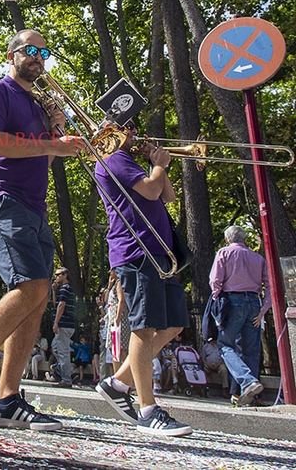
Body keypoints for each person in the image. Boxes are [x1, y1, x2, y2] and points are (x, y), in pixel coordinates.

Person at [0, 29, 85, 432]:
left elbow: (42, 159)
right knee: (29, 286)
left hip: (33, 206)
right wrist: (50, 143)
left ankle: (10, 396)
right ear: (12, 55)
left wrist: (56, 133)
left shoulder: (40, 105)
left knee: (38, 296)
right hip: (1, 199)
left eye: (43, 52)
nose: (38, 57)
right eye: (30, 50)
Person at [93, 120, 192, 436]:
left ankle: (119, 383)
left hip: (159, 251)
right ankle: (148, 410)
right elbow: (151, 190)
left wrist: (160, 164)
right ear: (114, 131)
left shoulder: (132, 161)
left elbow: (168, 196)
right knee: (144, 328)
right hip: (138, 252)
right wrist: (157, 166)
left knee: (174, 323)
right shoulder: (113, 159)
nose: (136, 133)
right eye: (129, 128)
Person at [209, 225, 270, 406]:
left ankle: (247, 381)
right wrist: (263, 309)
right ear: (244, 239)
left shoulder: (224, 253)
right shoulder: (257, 258)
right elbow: (269, 284)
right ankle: (250, 394)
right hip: (253, 302)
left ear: (228, 239)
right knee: (251, 349)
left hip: (232, 300)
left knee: (225, 345)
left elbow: (215, 281)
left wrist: (217, 301)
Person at [51, 267, 76, 388]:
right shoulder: (63, 290)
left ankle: (66, 379)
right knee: (55, 347)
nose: (56, 277)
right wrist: (54, 291)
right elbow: (57, 304)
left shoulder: (65, 289)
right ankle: (69, 371)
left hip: (64, 324)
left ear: (65, 275)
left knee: (63, 352)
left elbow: (61, 305)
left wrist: (56, 322)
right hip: (67, 325)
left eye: (58, 275)